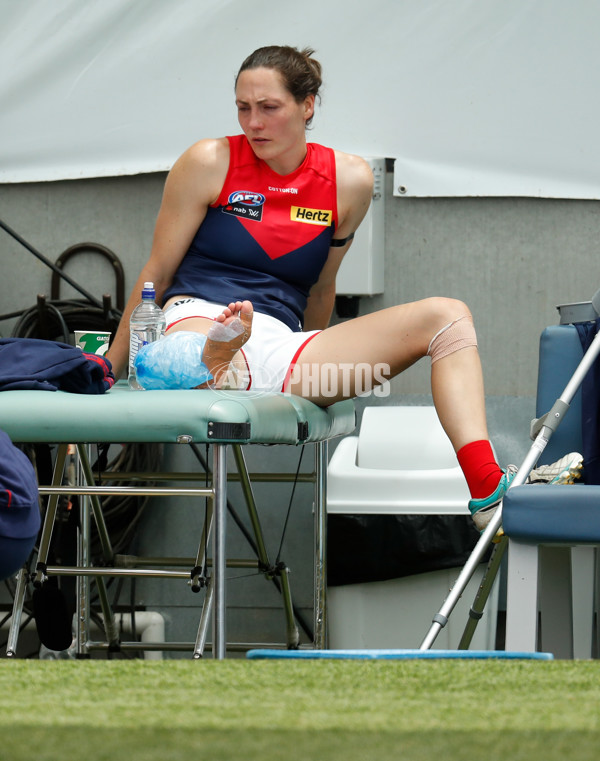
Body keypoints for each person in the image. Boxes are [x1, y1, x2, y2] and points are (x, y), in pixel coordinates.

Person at [106, 45, 582, 533]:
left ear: (307, 105)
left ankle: (485, 488)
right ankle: (211, 358)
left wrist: (313, 362)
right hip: (199, 313)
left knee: (448, 316)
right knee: (204, 346)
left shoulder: (349, 181)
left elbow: (321, 288)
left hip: (278, 342)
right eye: (243, 108)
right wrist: (107, 368)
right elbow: (156, 276)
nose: (254, 123)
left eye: (269, 108)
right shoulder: (208, 159)